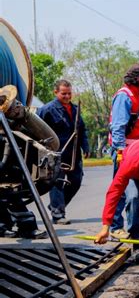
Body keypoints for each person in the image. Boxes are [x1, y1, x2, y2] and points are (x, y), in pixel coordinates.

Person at [108, 63, 139, 239]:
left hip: (137, 152)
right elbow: (118, 127)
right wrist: (121, 152)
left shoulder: (138, 97)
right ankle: (115, 227)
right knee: (123, 190)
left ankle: (137, 226)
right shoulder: (125, 97)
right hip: (125, 152)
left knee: (137, 192)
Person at [37, 79, 89, 225]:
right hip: (55, 152)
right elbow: (36, 131)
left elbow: (82, 130)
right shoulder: (46, 110)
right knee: (57, 182)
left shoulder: (75, 109)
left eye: (69, 93)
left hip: (73, 153)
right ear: (56, 93)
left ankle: (56, 206)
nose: (67, 96)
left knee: (76, 181)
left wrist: (86, 147)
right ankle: (58, 214)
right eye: (63, 93)